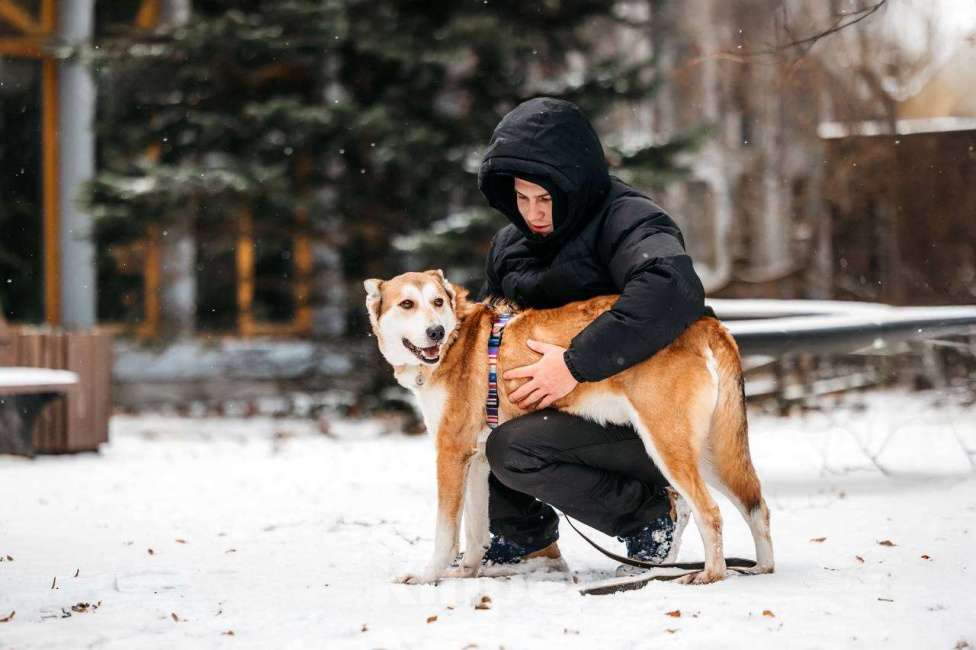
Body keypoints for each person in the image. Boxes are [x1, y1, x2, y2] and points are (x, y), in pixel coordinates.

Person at [476, 97, 707, 569]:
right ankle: (525, 538)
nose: (533, 213)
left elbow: (672, 289)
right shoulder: (508, 244)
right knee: (477, 419)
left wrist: (574, 363)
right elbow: (485, 334)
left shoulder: (629, 219)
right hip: (562, 411)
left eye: (545, 198)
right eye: (521, 198)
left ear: (574, 183)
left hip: (646, 415)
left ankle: (648, 515)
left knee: (514, 447)